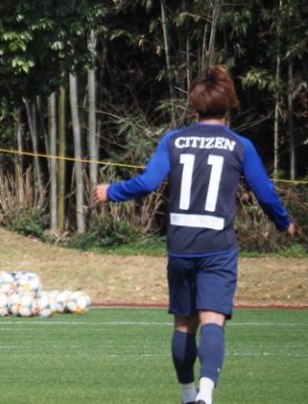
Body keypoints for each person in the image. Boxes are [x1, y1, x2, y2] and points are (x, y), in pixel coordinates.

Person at [95, 65, 295, 404]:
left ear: (194, 104)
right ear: (230, 103)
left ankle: (188, 395)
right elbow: (265, 193)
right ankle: (206, 393)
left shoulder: (173, 140)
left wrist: (110, 191)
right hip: (218, 246)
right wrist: (284, 222)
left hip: (181, 245)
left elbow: (147, 183)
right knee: (213, 321)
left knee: (184, 326)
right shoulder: (239, 145)